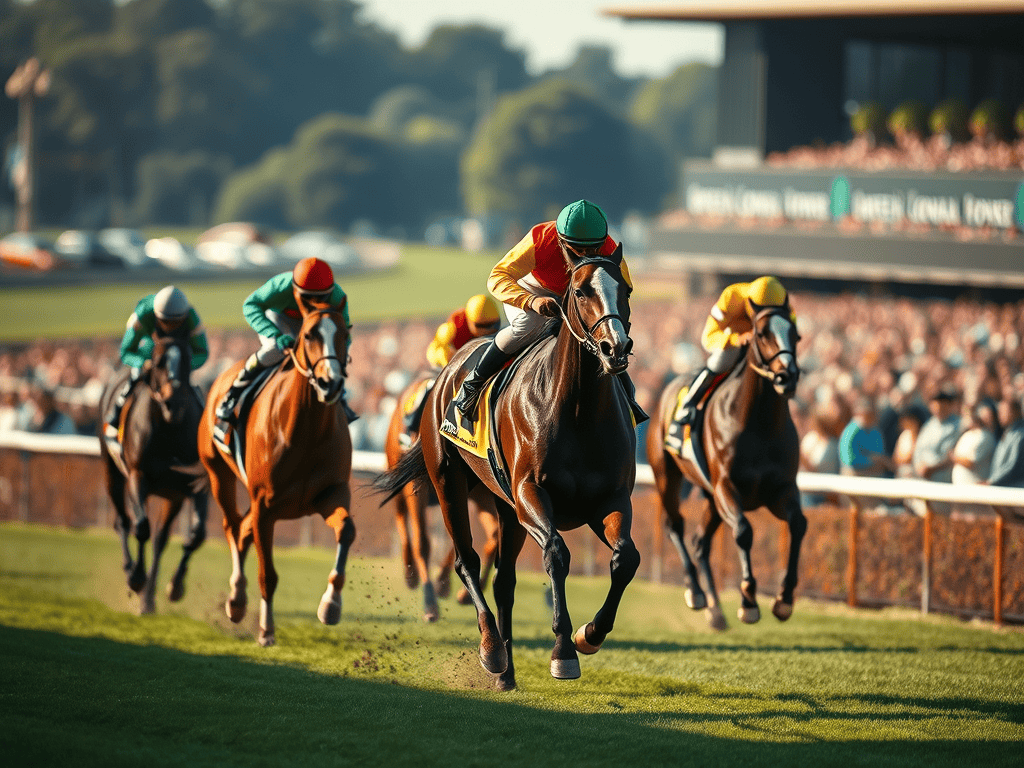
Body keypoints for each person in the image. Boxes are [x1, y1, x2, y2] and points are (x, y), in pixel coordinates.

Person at [451, 199, 647, 424]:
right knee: (528, 325)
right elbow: (497, 277)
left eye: (592, 250)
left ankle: (629, 400)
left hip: (575, 293)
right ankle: (473, 383)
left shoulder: (608, 247)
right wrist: (532, 301)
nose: (585, 255)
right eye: (578, 250)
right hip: (533, 288)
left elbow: (624, 288)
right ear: (561, 240)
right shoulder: (540, 238)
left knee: (604, 335)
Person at [214, 257, 355, 440]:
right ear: (295, 290)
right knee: (273, 349)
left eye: (321, 298)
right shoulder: (281, 286)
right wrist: (274, 334)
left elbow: (344, 333)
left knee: (328, 360)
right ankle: (231, 396)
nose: (313, 302)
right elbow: (250, 305)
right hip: (279, 319)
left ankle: (340, 399)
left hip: (314, 325)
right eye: (307, 297)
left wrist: (338, 355)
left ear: (330, 292)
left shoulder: (338, 296)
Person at [675, 275, 796, 426]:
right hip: (735, 342)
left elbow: (789, 334)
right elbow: (708, 337)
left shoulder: (784, 305)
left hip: (764, 348)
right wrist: (735, 340)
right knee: (720, 360)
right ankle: (688, 403)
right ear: (749, 302)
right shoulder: (731, 296)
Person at [105, 285, 208, 439]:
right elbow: (126, 351)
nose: (170, 328)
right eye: (166, 322)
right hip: (151, 348)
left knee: (188, 385)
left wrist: (184, 366)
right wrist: (142, 363)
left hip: (179, 350)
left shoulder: (191, 317)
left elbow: (202, 352)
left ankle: (205, 418)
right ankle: (115, 414)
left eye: (176, 323)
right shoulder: (143, 314)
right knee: (135, 375)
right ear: (156, 316)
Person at [425, 294, 501, 370]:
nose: (487, 330)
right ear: (469, 321)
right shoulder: (451, 329)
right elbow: (437, 352)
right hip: (443, 365)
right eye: (480, 326)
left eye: (493, 325)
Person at [984, 398, 1024, 488]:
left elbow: (1013, 466)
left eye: (1003, 411)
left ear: (1015, 412)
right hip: (1003, 490)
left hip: (1014, 493)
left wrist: (991, 482)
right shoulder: (1008, 433)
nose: (1000, 415)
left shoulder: (1020, 435)